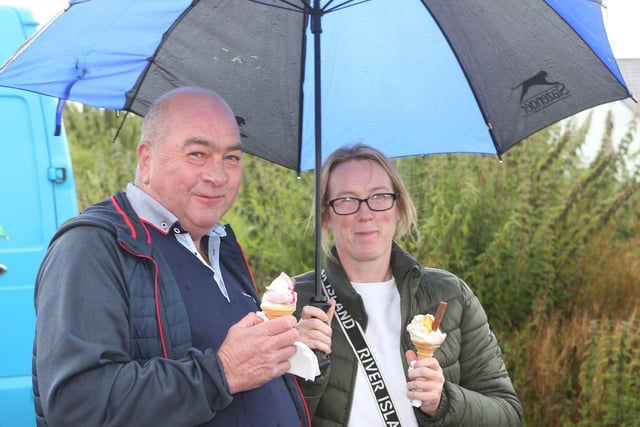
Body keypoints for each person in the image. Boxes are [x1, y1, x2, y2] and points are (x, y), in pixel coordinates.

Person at [32, 87, 332, 426]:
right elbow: (77, 407)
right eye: (197, 154)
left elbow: (250, 376)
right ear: (146, 160)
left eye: (231, 158)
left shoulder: (220, 247)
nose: (218, 176)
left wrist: (289, 349)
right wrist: (223, 372)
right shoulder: (92, 247)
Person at [294, 144, 523, 426]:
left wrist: (442, 401)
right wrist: (299, 364)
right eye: (346, 200)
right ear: (326, 215)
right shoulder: (293, 303)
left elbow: (508, 414)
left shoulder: (451, 295)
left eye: (379, 196)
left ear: (399, 207)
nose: (365, 213)